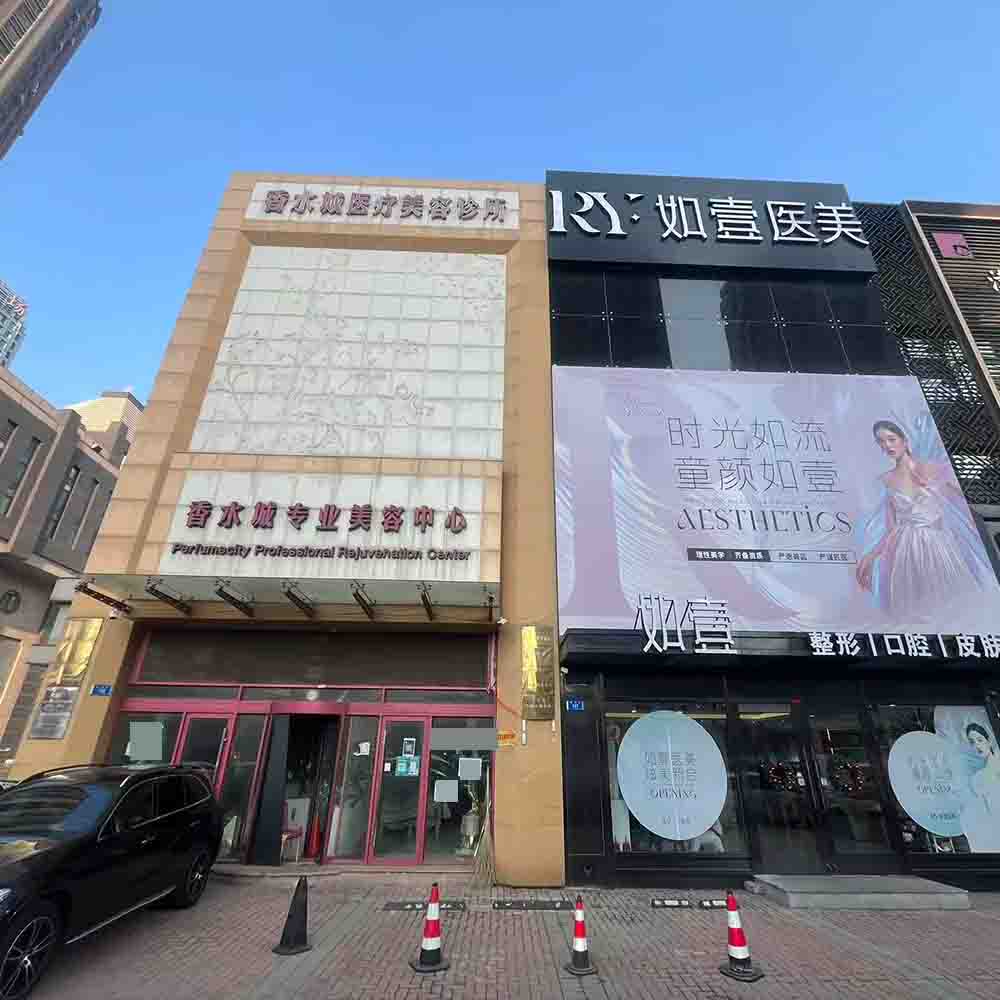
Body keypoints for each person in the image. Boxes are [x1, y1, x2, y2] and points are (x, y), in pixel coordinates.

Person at [856, 420, 995, 618]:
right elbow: (890, 529)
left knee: (956, 608)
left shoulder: (935, 469)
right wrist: (871, 556)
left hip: (940, 543)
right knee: (918, 612)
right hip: (905, 551)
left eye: (891, 439)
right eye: (881, 441)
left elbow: (963, 508)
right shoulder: (886, 480)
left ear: (904, 440)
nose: (887, 445)